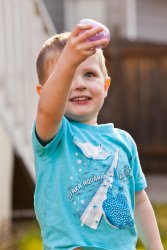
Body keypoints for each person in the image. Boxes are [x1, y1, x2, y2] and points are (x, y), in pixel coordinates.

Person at [32, 22, 163, 250]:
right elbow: (48, 109)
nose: (79, 84)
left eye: (89, 74)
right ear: (44, 93)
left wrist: (155, 246)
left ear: (105, 86)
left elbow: (139, 201)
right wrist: (68, 60)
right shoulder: (55, 134)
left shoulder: (123, 142)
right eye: (68, 77)